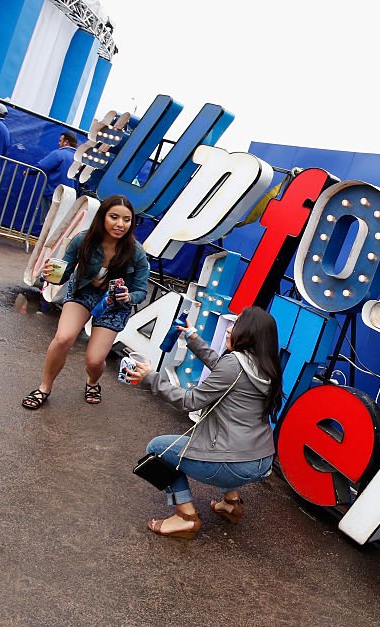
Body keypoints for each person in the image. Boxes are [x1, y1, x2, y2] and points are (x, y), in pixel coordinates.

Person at [124, 306, 283, 540]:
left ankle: (186, 518)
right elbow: (224, 369)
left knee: (158, 448)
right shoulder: (265, 366)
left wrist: (151, 379)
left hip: (232, 465)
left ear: (249, 333)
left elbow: (190, 401)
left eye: (236, 324)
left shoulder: (234, 365)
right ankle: (231, 504)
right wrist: (192, 337)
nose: (229, 329)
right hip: (260, 462)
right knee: (223, 447)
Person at [21, 194, 149, 409]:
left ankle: (92, 382)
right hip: (82, 292)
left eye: (126, 220)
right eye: (114, 217)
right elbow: (62, 275)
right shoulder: (83, 240)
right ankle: (44, 388)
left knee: (95, 360)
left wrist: (128, 296)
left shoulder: (136, 252)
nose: (120, 224)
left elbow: (140, 291)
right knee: (63, 338)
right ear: (102, 217)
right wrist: (49, 273)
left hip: (114, 304)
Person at [34, 131, 78, 221]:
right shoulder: (79, 159)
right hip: (70, 197)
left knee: (47, 220)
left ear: (66, 142)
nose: (59, 143)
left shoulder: (59, 154)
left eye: (60, 140)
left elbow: (43, 166)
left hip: (53, 192)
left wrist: (29, 171)